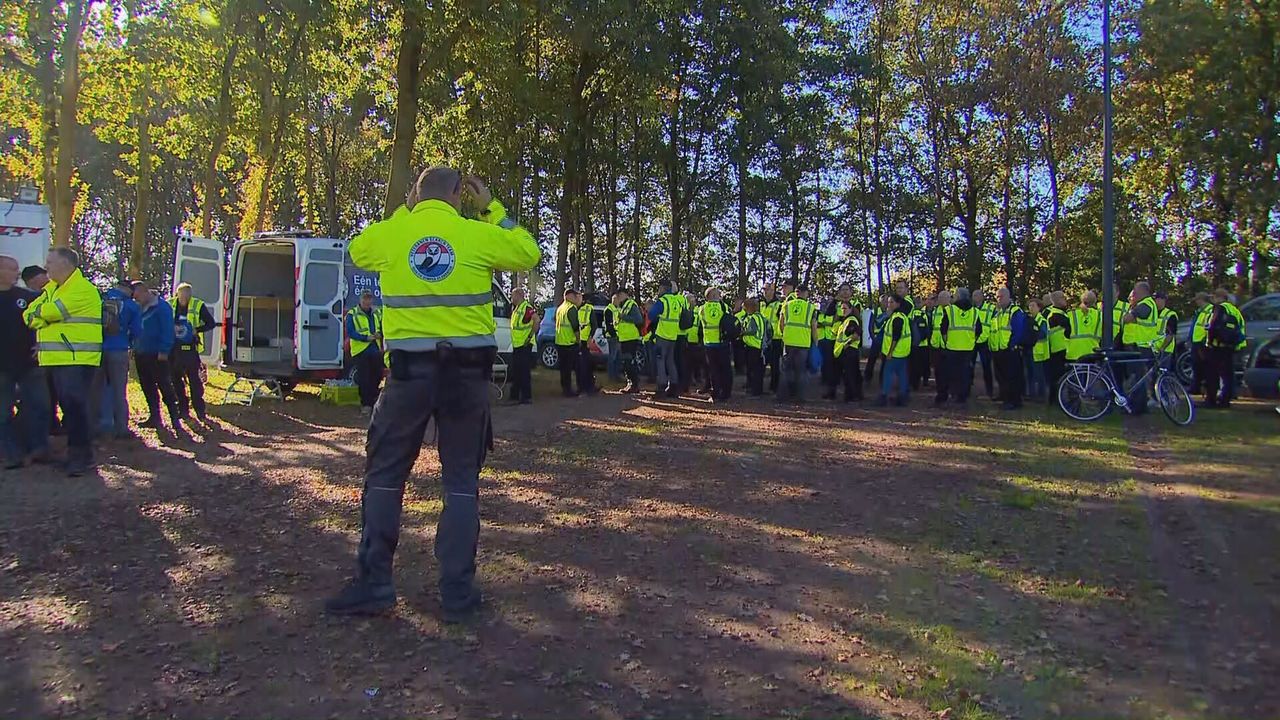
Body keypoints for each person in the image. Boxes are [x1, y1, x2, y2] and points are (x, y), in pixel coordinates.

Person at [325, 167, 539, 621]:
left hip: (408, 376)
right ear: (461, 194)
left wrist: (406, 211)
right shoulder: (476, 234)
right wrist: (492, 209)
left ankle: (375, 582)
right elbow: (528, 251)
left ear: (414, 196)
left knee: (385, 474)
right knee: (461, 481)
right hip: (468, 377)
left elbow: (359, 249)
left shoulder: (397, 233)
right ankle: (458, 594)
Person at [22, 248, 102, 475]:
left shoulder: (83, 289)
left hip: (77, 358)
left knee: (75, 410)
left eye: (50, 262)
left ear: (66, 264)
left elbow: (50, 312)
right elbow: (29, 315)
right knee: (69, 409)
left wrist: (41, 316)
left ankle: (82, 458)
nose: (46, 266)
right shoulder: (51, 290)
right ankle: (77, 455)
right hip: (56, 358)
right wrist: (41, 316)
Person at [1, 255, 50, 469]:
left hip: (30, 364)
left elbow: (46, 322)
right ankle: (13, 453)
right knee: (3, 411)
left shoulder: (27, 297)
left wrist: (41, 344)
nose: (17, 273)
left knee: (40, 405)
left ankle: (39, 449)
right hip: (2, 367)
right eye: (12, 269)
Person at [91, 278, 141, 439]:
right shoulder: (131, 305)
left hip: (97, 350)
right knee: (119, 390)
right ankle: (120, 428)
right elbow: (137, 331)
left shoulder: (100, 299)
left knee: (95, 388)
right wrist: (131, 344)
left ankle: (95, 425)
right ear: (129, 290)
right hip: (118, 349)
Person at [131, 281, 181, 431]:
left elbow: (167, 330)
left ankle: (174, 418)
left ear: (145, 291)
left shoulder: (161, 307)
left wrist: (164, 350)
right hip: (141, 352)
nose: (136, 299)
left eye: (137, 295)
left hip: (158, 354)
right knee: (147, 386)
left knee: (164, 385)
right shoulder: (137, 308)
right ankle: (155, 417)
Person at [23, 265, 61, 436]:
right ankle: (48, 425)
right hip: (36, 353)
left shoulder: (54, 294)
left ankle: (54, 424)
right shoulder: (28, 299)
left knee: (56, 390)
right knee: (44, 392)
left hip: (56, 351)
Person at [170, 282, 217, 421]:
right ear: (177, 294)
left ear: (190, 295)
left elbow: (211, 323)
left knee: (194, 381)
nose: (184, 298)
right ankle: (182, 409)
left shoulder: (198, 305)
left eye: (187, 295)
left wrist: (197, 330)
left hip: (190, 348)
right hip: (174, 348)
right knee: (175, 379)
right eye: (181, 295)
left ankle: (200, 410)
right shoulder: (170, 304)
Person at [1201, 287, 1243, 409]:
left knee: (1212, 374)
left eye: (1214, 297)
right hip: (1231, 346)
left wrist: (1210, 341)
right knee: (1228, 375)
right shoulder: (1234, 310)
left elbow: (1213, 327)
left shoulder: (1220, 308)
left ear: (1218, 297)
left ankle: (1211, 400)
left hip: (1218, 347)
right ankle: (1226, 400)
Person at [345, 290, 386, 415]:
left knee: (377, 376)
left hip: (375, 349)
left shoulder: (377, 313)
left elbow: (383, 327)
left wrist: (381, 335)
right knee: (364, 378)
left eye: (369, 299)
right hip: (360, 351)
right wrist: (366, 337)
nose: (367, 302)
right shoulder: (352, 314)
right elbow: (351, 332)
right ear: (360, 300)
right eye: (364, 299)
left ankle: (373, 400)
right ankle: (366, 404)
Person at [1121, 282, 1159, 413]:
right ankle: (1138, 405)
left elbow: (1127, 318)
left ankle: (1138, 407)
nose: (1133, 294)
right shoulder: (1145, 304)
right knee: (1137, 377)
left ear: (1143, 292)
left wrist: (1128, 314)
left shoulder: (1146, 305)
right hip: (1138, 346)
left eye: (1135, 291)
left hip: (1141, 346)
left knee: (1139, 378)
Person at [937, 288, 979, 405]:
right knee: (964, 374)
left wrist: (947, 341)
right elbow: (978, 330)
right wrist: (970, 340)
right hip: (968, 349)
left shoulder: (950, 310)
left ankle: (946, 395)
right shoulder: (975, 311)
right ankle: (962, 397)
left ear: (958, 297)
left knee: (948, 373)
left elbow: (943, 328)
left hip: (952, 347)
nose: (953, 297)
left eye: (954, 295)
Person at [776, 284, 817, 403]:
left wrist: (785, 334)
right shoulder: (810, 307)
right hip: (803, 343)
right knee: (801, 371)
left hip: (788, 341)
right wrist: (815, 341)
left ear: (795, 293)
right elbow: (813, 326)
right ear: (806, 293)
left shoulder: (786, 305)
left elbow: (781, 323)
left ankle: (782, 397)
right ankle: (800, 398)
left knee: (786, 370)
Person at [647, 280, 686, 398]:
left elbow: (651, 314)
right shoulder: (677, 301)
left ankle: (661, 388)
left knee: (660, 361)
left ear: (663, 289)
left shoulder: (662, 301)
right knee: (670, 361)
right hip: (673, 336)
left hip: (662, 335)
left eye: (659, 289)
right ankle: (673, 387)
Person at [990, 287, 1028, 410]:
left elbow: (1019, 330)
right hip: (998, 349)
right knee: (1001, 376)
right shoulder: (998, 313)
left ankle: (1014, 400)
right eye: (997, 297)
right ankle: (1004, 396)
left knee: (1012, 377)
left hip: (1010, 350)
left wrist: (1012, 345)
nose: (999, 299)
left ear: (1008, 297)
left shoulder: (1015, 311)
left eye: (1001, 296)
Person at [697, 288, 732, 402]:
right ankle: (726, 393)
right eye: (718, 294)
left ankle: (716, 393)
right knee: (725, 369)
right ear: (714, 296)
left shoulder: (702, 309)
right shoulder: (724, 307)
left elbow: (700, 325)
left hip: (709, 343)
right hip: (722, 342)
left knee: (714, 370)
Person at [876, 295, 911, 407]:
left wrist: (890, 352)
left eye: (891, 302)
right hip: (903, 352)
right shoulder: (901, 316)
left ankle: (884, 397)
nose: (888, 304)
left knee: (888, 374)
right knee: (902, 375)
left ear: (898, 304)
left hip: (895, 353)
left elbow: (896, 336)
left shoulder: (897, 318)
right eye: (888, 302)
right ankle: (902, 397)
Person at [508, 288, 536, 404]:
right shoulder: (516, 308)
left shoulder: (526, 307)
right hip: (517, 344)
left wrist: (529, 337)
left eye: (513, 296)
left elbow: (537, 320)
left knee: (524, 372)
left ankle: (526, 396)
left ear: (519, 295)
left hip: (524, 345)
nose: (511, 298)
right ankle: (515, 396)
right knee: (516, 371)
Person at [612, 289, 643, 393]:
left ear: (624, 294)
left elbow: (639, 320)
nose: (618, 297)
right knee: (626, 362)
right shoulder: (623, 306)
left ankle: (634, 384)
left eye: (619, 295)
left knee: (629, 362)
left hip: (630, 338)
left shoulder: (631, 305)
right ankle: (631, 383)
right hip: (624, 338)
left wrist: (624, 317)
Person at [833, 300, 863, 402]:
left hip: (849, 351)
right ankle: (852, 395)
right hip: (845, 351)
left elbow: (856, 333)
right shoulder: (845, 321)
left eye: (845, 308)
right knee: (849, 375)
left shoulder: (851, 320)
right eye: (842, 308)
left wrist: (847, 344)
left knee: (850, 375)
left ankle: (851, 396)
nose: (843, 310)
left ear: (850, 309)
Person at [1044, 291, 1070, 404]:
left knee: (1057, 377)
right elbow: (1069, 328)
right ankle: (1056, 400)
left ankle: (1055, 400)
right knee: (1058, 377)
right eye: (1063, 298)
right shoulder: (1056, 314)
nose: (1065, 299)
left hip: (1059, 348)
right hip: (1059, 349)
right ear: (1057, 300)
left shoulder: (1059, 312)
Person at [554, 289, 582, 397]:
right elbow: (575, 326)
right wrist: (578, 339)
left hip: (560, 342)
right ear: (571, 296)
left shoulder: (560, 308)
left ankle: (565, 389)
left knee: (564, 369)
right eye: (575, 297)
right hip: (570, 342)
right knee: (574, 367)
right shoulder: (571, 308)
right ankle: (571, 390)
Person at [1065, 291, 1102, 363]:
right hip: (1092, 353)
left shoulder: (1071, 314)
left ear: (1082, 301)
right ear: (1095, 302)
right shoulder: (1100, 315)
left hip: (1073, 354)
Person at [760, 282, 784, 392]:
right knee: (760, 364)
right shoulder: (760, 304)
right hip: (762, 339)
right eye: (764, 289)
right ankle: (757, 387)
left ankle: (774, 387)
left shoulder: (779, 305)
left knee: (775, 365)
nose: (766, 292)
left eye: (768, 289)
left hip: (775, 338)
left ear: (773, 291)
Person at [740, 298, 767, 396]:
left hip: (753, 346)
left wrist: (742, 333)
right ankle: (756, 389)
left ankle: (755, 391)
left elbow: (753, 330)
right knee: (757, 370)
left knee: (754, 370)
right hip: (758, 346)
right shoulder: (760, 317)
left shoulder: (753, 318)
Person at [972, 289, 996, 398]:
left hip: (985, 341)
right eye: (973, 296)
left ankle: (989, 391)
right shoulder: (971, 310)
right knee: (969, 366)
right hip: (973, 340)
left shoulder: (991, 308)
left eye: (977, 295)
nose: (975, 298)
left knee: (986, 367)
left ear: (982, 297)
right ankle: (967, 390)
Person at [1186, 292, 1211, 394]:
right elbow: (1195, 327)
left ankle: (1202, 388)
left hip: (1202, 343)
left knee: (1203, 367)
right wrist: (1190, 339)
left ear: (1201, 300)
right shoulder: (1200, 311)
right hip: (1196, 342)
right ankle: (1195, 387)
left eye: (1197, 300)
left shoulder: (1209, 310)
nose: (1196, 302)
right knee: (1196, 366)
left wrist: (1205, 340)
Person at [1026, 299, 1048, 400]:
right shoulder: (1029, 319)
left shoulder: (1041, 320)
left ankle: (1041, 395)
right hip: (1030, 350)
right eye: (1030, 306)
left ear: (1039, 308)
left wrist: (1031, 336)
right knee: (1030, 373)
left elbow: (1043, 334)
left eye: (1033, 306)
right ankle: (1032, 394)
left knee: (1039, 375)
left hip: (1039, 351)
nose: (1031, 308)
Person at [576, 293, 597, 395]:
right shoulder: (573, 308)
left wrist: (590, 338)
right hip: (576, 340)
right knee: (579, 366)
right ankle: (582, 387)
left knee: (586, 366)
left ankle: (589, 387)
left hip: (585, 341)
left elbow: (594, 325)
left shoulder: (589, 308)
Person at [865, 295, 889, 384]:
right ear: (880, 302)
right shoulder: (875, 311)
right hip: (877, 338)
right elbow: (870, 325)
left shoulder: (891, 312)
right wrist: (873, 337)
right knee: (872, 358)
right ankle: (868, 377)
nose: (885, 303)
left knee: (885, 360)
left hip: (887, 339)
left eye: (887, 301)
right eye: (883, 301)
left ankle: (882, 379)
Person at [908, 295, 929, 390]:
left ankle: (914, 383)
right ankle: (924, 380)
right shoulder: (924, 314)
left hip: (913, 344)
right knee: (924, 364)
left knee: (913, 365)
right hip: (923, 344)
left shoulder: (910, 315)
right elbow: (928, 329)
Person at [1152, 291, 1178, 356]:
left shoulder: (1170, 315)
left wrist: (1162, 348)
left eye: (1156, 299)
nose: (1154, 301)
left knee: (1163, 366)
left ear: (1162, 300)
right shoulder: (1152, 313)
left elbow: (1171, 334)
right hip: (1152, 349)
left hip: (1165, 350)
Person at [603, 296, 621, 382]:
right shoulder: (609, 309)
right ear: (614, 300)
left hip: (618, 336)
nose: (619, 302)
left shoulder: (617, 309)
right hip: (613, 336)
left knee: (617, 357)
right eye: (617, 300)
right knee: (612, 357)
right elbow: (609, 324)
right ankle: (612, 376)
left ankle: (616, 375)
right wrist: (614, 335)